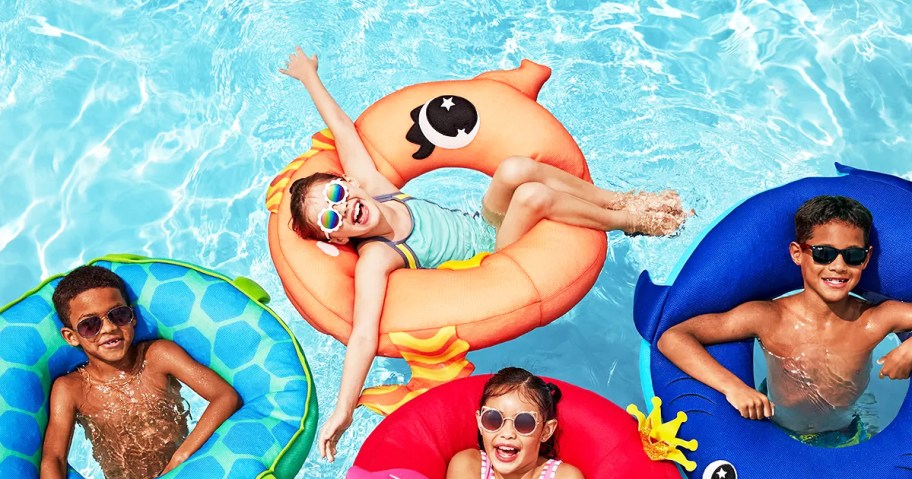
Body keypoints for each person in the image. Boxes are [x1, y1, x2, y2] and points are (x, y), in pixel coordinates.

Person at [278, 47, 690, 461]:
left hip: (486, 223)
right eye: (330, 220)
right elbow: (363, 334)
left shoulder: (374, 185)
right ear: (335, 240)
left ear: (348, 182)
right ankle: (628, 221)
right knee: (530, 196)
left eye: (335, 195)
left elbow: (342, 128)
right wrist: (343, 410)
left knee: (513, 168)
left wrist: (309, 77)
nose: (342, 209)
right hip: (496, 255)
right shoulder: (378, 257)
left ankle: (619, 200)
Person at [658, 195, 912, 446]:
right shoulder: (769, 318)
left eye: (852, 255)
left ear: (866, 258)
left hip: (844, 432)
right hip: (776, 431)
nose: (838, 266)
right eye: (824, 253)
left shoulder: (874, 320)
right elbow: (673, 338)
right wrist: (734, 387)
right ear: (797, 253)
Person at [40, 265, 242, 479]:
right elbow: (54, 458)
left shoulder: (158, 356)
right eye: (90, 325)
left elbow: (225, 396)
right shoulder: (70, 389)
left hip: (184, 471)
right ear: (71, 336)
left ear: (133, 317)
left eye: (118, 315)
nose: (108, 328)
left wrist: (180, 459)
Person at [446, 367, 584, 479]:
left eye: (524, 423)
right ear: (480, 423)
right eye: (493, 419)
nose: (507, 433)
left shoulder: (564, 476)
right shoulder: (468, 465)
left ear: (545, 431)